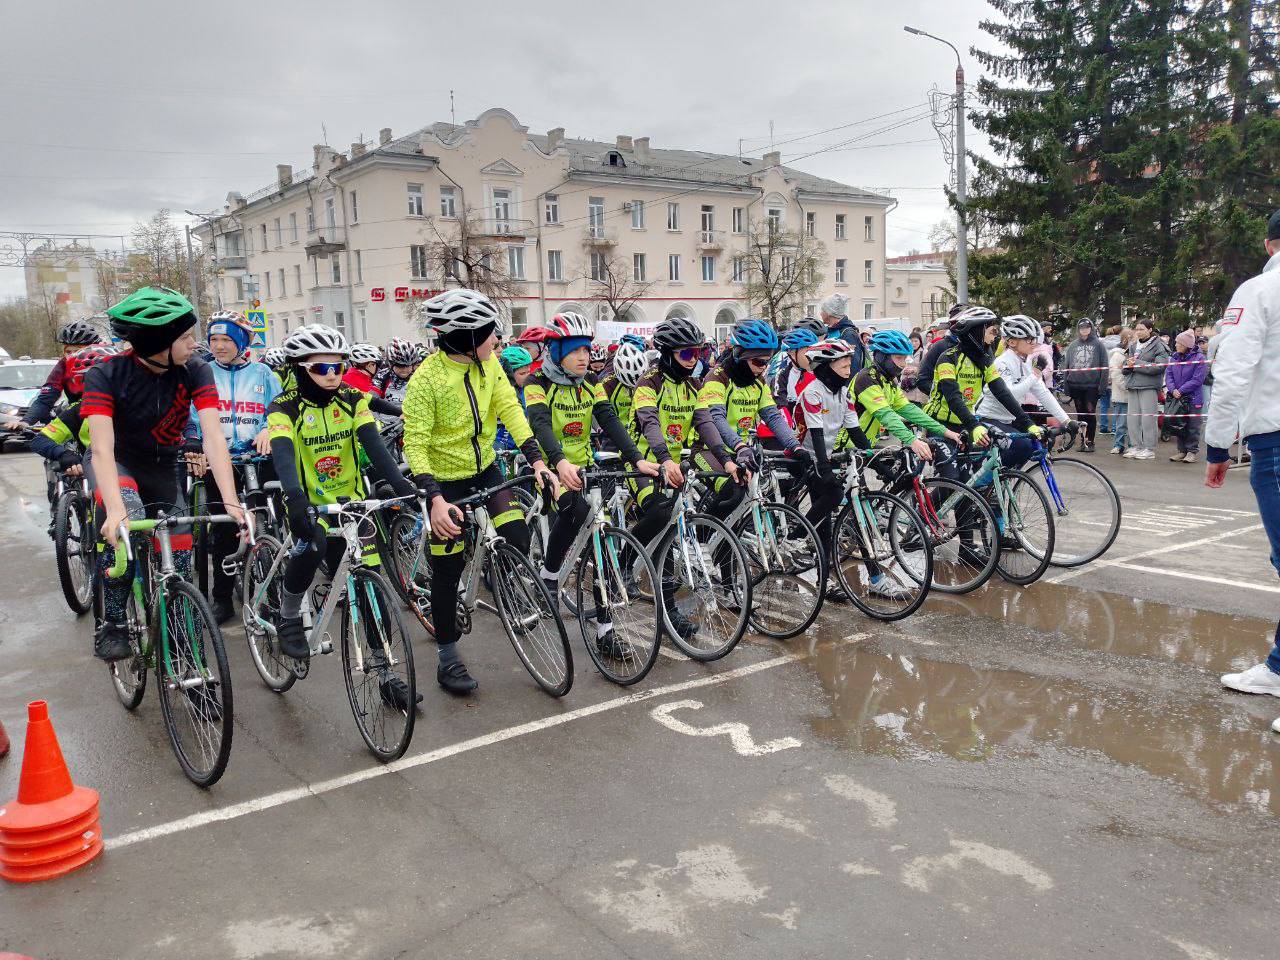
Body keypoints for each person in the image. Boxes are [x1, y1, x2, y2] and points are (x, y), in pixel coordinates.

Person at [402, 289, 557, 695]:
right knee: (447, 571)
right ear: (467, 338)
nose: (497, 342)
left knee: (518, 536)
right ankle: (448, 658)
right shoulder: (427, 380)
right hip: (444, 482)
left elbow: (512, 412)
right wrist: (434, 499)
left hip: (486, 470)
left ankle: (501, 584)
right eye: (491, 334)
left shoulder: (490, 369)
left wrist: (539, 462)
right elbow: (414, 444)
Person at [82, 287, 246, 662]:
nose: (195, 343)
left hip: (162, 467)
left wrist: (231, 502)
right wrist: (114, 511)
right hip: (117, 464)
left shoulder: (196, 369)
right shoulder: (105, 374)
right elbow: (103, 449)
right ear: (158, 341)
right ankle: (114, 623)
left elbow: (213, 437)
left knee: (181, 561)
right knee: (128, 525)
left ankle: (182, 646)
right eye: (186, 337)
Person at [264, 326, 418, 707]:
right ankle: (287, 615)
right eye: (322, 368)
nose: (333, 374)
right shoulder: (285, 406)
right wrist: (294, 496)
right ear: (300, 368)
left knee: (370, 587)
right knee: (313, 545)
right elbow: (283, 453)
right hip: (308, 501)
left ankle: (385, 673)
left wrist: (403, 488)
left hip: (351, 503)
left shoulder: (352, 399)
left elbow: (375, 448)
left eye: (338, 366)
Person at [523, 312, 658, 658]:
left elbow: (609, 420)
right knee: (576, 509)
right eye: (575, 349)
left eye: (587, 348)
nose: (585, 356)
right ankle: (551, 576)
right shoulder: (538, 382)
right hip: (550, 467)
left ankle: (606, 631)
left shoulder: (592, 380)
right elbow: (539, 425)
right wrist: (558, 463)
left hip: (585, 468)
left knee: (604, 546)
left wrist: (635, 458)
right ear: (556, 351)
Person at [1207, 208, 1280, 707]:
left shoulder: (1258, 292)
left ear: (1270, 243)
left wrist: (1217, 445)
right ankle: (1278, 667)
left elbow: (1232, 372)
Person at [183, 311, 282, 624]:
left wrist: (270, 428)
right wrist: (196, 445)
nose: (219, 345)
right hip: (219, 461)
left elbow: (280, 407)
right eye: (213, 339)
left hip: (259, 460)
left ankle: (272, 592)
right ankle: (222, 597)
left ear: (242, 341)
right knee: (223, 531)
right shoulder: (202, 372)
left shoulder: (264, 373)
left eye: (226, 339)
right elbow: (191, 415)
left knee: (269, 523)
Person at [629, 315, 722, 640]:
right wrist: (665, 459)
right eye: (687, 354)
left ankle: (668, 611)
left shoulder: (694, 386)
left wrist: (727, 457)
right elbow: (650, 422)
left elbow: (705, 424)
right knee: (660, 512)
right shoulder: (648, 383)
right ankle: (626, 559)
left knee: (670, 535)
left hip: (673, 467)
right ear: (668, 354)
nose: (694, 360)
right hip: (643, 465)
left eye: (698, 353)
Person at [924, 306, 1043, 453]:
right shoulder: (948, 358)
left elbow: (1002, 392)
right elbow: (953, 398)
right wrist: (974, 425)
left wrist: (1027, 423)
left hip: (966, 422)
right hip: (940, 423)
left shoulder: (985, 361)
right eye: (992, 331)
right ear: (977, 332)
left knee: (978, 472)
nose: (996, 336)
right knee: (952, 474)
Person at [976, 316, 1075, 467]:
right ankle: (985, 486)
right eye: (1028, 339)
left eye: (1034, 339)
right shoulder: (1001, 363)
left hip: (1008, 419)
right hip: (987, 418)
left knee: (1037, 441)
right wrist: (1035, 375)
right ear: (1012, 342)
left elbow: (1043, 393)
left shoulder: (1025, 362)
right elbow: (1010, 395)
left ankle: (1004, 482)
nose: (1033, 343)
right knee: (1023, 446)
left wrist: (1066, 420)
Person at [20, 319, 103, 426]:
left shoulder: (105, 364)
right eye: (68, 351)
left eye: (78, 351)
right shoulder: (63, 365)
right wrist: (26, 421)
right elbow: (46, 398)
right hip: (77, 415)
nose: (72, 355)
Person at [1122, 319, 1170, 460]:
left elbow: (1160, 366)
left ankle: (1149, 448)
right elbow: (1126, 363)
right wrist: (1127, 365)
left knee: (1148, 418)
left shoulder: (1159, 345)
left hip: (1148, 386)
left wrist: (1136, 363)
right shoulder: (1133, 345)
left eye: (1142, 329)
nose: (1138, 332)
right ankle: (1135, 446)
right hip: (1133, 385)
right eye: (1137, 329)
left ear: (1150, 330)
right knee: (1132, 419)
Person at [1060, 319, 1109, 452]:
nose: (1084, 330)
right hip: (1076, 385)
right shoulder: (1073, 345)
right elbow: (1067, 366)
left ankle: (1090, 441)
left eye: (1087, 327)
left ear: (1091, 328)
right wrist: (1066, 385)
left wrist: (1102, 386)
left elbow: (1105, 366)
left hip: (1092, 386)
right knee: (1080, 415)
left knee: (1090, 413)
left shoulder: (1099, 345)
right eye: (1082, 328)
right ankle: (1082, 440)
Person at [1165, 329, 1208, 463]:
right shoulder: (1174, 357)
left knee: (1193, 426)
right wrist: (1173, 390)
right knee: (1179, 425)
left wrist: (1181, 390)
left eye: (1178, 343)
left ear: (1186, 345)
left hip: (1193, 398)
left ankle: (1191, 451)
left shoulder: (1199, 358)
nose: (1176, 345)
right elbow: (1169, 374)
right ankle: (1181, 451)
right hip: (1177, 397)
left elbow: (1197, 380)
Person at [599, 340, 648, 450]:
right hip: (614, 437)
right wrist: (599, 428)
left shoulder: (649, 380)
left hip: (641, 435)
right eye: (629, 385)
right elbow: (596, 409)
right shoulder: (607, 383)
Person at [494, 345, 534, 454]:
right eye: (522, 373)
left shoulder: (528, 389)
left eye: (528, 372)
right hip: (500, 440)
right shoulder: (501, 391)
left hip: (521, 440)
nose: (527, 376)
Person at [818, 293, 867, 370]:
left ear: (830, 313)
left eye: (823, 310)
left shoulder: (848, 334)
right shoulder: (828, 331)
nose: (820, 313)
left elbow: (853, 368)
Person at [372, 337, 420, 407]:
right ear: (391, 364)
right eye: (400, 365)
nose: (405, 369)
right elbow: (372, 400)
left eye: (408, 365)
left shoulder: (418, 377)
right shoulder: (382, 376)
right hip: (385, 416)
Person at [1107, 329, 1133, 455]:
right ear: (1125, 340)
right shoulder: (1117, 355)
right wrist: (1127, 386)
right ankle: (1118, 444)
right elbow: (1115, 374)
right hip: (1121, 395)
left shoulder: (1134, 355)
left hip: (1133, 395)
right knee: (1121, 423)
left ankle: (1132, 445)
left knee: (1134, 423)